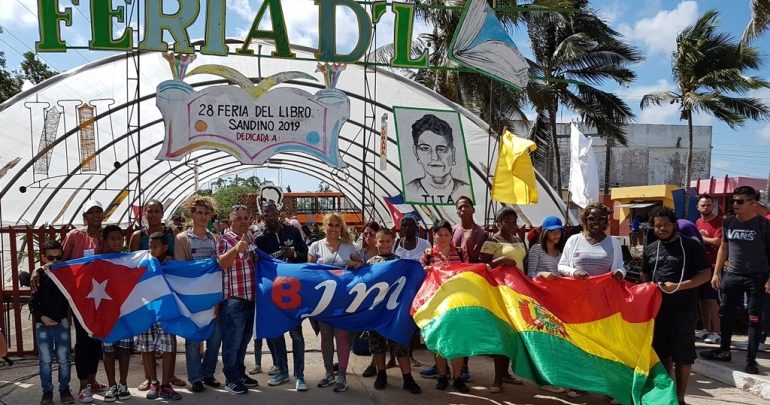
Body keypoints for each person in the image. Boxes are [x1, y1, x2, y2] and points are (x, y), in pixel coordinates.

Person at [641, 206, 710, 404]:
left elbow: (705, 275)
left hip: (683, 310)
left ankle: (680, 398)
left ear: (674, 225)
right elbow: (645, 275)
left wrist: (678, 287)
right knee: (662, 353)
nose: (662, 229)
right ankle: (667, 395)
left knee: (683, 356)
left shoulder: (691, 246)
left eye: (666, 225)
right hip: (658, 311)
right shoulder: (650, 248)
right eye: (658, 226)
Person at [557, 202, 625, 400]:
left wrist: (620, 273)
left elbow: (620, 267)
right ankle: (580, 384)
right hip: (577, 304)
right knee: (579, 344)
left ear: (606, 221)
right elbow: (562, 266)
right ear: (585, 221)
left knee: (604, 345)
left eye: (601, 218)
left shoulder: (613, 243)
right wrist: (574, 271)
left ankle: (605, 385)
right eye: (592, 218)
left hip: (604, 304)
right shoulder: (573, 240)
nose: (596, 222)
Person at [700, 186, 770, 375]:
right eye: (733, 201)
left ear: (752, 203)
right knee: (725, 313)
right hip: (732, 275)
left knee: (754, 318)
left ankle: (750, 359)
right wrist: (716, 273)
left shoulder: (764, 225)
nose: (735, 204)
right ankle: (724, 351)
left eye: (740, 201)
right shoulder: (729, 222)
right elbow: (723, 247)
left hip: (757, 277)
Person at [128, 200, 185, 392]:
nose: (152, 214)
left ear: (162, 212)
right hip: (146, 293)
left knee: (169, 335)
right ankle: (149, 378)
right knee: (147, 337)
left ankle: (170, 376)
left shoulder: (171, 234)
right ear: (144, 213)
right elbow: (132, 263)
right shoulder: (138, 236)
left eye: (156, 211)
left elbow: (179, 259)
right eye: (149, 211)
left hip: (168, 291)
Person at [255, 201, 309, 391]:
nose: (270, 217)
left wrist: (294, 253)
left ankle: (300, 375)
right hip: (274, 294)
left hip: (294, 291)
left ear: (278, 213)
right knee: (277, 334)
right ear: (262, 217)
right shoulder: (260, 239)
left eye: (272, 213)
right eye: (266, 214)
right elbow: (258, 265)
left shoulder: (292, 232)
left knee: (297, 335)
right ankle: (282, 371)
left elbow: (305, 254)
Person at [59, 200, 109, 403]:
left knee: (96, 339)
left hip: (102, 296)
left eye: (99, 211)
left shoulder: (107, 236)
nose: (96, 215)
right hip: (81, 297)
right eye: (91, 212)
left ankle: (92, 380)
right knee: (83, 340)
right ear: (85, 216)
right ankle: (83, 386)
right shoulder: (74, 236)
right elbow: (61, 262)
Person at [308, 213, 363, 392]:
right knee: (325, 335)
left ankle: (342, 375)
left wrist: (355, 264)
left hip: (343, 299)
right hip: (323, 300)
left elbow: (361, 266)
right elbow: (308, 273)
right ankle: (328, 373)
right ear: (324, 226)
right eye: (330, 225)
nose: (333, 228)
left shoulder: (349, 246)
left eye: (336, 225)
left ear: (341, 227)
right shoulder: (315, 246)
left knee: (341, 336)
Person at [174, 196, 223, 392]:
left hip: (212, 298)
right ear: (192, 214)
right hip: (192, 298)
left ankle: (208, 374)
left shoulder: (215, 239)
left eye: (206, 213)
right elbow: (182, 270)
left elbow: (219, 270)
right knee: (193, 341)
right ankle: (195, 378)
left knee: (215, 339)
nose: (202, 217)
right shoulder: (182, 239)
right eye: (199, 212)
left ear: (210, 215)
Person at [366, 229, 422, 394]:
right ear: (376, 242)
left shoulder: (401, 263)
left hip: (396, 313)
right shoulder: (370, 264)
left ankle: (407, 378)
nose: (384, 244)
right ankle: (381, 374)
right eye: (381, 241)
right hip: (376, 312)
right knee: (377, 344)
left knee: (401, 345)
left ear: (393, 242)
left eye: (388, 241)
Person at [478, 208, 527, 393]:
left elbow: (524, 263)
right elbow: (481, 265)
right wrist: (501, 261)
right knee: (503, 333)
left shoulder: (517, 239)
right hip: (501, 292)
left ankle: (505, 374)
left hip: (518, 291)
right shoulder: (492, 241)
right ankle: (497, 379)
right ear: (498, 223)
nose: (513, 225)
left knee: (512, 334)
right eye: (508, 222)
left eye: (514, 221)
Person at [215, 205, 261, 395]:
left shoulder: (251, 239)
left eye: (246, 218)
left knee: (243, 342)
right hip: (234, 300)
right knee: (232, 343)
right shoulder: (224, 240)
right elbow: (221, 264)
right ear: (230, 222)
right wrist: (236, 249)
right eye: (239, 218)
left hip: (250, 299)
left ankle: (240, 374)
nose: (243, 221)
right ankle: (231, 379)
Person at [420, 220, 469, 393]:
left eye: (446, 234)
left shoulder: (461, 253)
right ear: (434, 235)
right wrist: (426, 270)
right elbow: (420, 277)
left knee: (458, 340)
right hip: (435, 303)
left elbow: (468, 273)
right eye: (439, 234)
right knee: (437, 338)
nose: (443, 238)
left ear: (451, 236)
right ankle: (442, 375)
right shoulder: (427, 254)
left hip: (456, 303)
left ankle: (457, 377)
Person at [134, 232, 182, 400]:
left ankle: (166, 384)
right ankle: (153, 382)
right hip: (147, 311)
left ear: (165, 247)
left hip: (166, 313)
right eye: (149, 247)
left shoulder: (171, 264)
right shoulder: (143, 263)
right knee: (147, 347)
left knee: (168, 346)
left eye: (155, 247)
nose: (151, 250)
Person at [30, 240, 75, 405]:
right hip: (42, 325)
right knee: (45, 360)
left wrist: (57, 317)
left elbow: (68, 299)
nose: (55, 261)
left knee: (64, 359)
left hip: (61, 323)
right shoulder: (39, 276)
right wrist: (42, 317)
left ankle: (64, 389)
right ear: (43, 257)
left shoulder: (67, 274)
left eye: (59, 258)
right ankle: (47, 392)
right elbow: (33, 302)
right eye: (51, 258)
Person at [404, 114, 470, 204]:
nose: (435, 157)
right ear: (416, 153)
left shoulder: (465, 189)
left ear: (453, 153)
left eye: (441, 149)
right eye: (425, 148)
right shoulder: (410, 190)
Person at [100, 225, 133, 402]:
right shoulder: (100, 261)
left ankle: (123, 383)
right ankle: (111, 385)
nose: (116, 242)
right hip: (107, 314)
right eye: (112, 239)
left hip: (126, 311)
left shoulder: (131, 259)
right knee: (109, 350)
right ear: (105, 241)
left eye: (119, 238)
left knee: (124, 350)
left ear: (124, 240)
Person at [695, 194, 723, 345]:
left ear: (713, 206)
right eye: (703, 205)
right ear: (698, 207)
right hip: (700, 266)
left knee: (712, 300)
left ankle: (716, 332)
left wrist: (699, 238)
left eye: (709, 205)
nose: (706, 207)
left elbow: (717, 241)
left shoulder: (719, 222)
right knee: (702, 300)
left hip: (712, 267)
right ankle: (706, 329)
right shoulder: (698, 222)